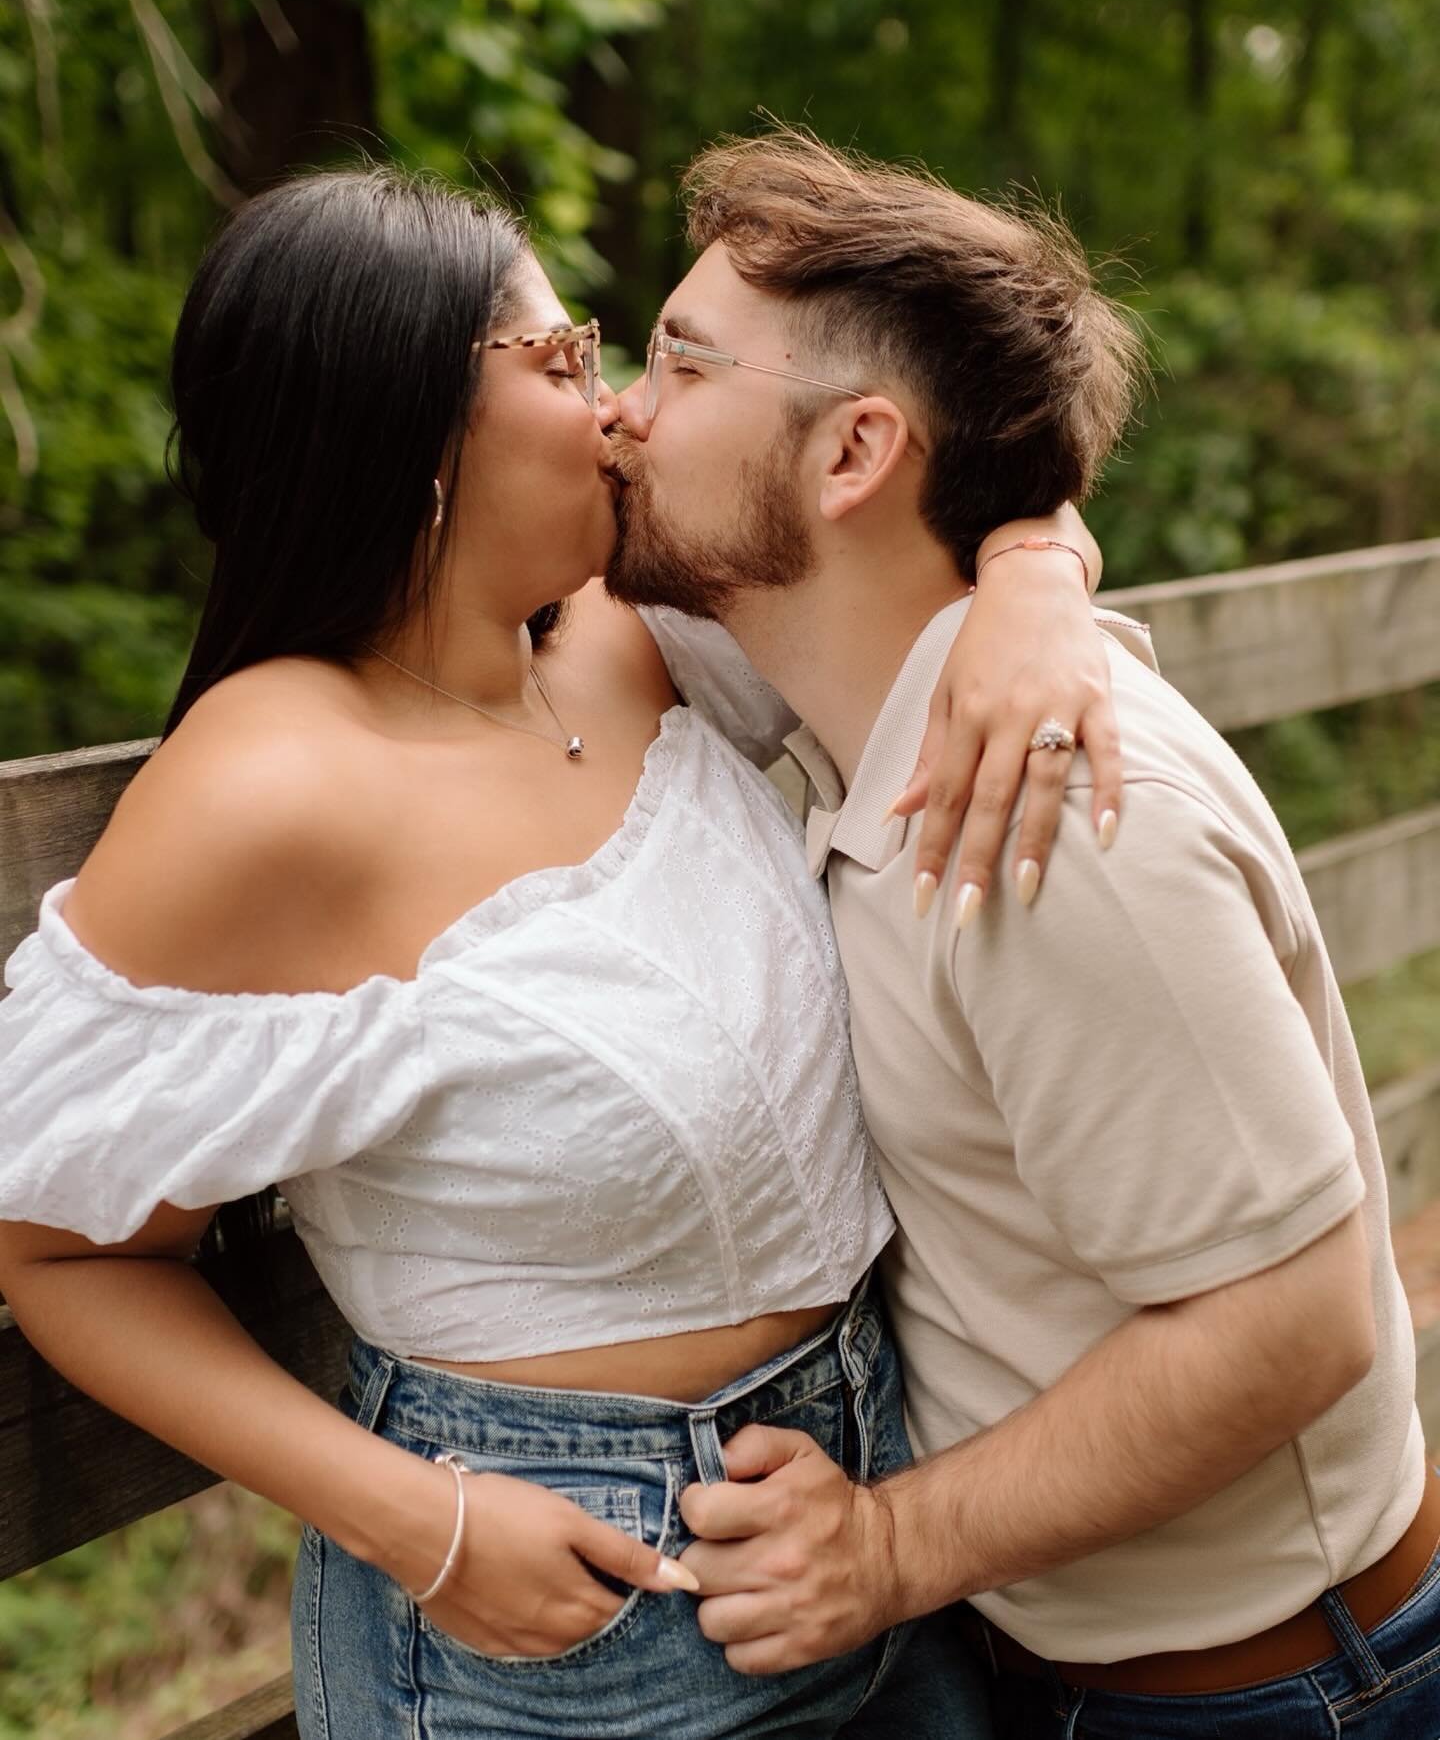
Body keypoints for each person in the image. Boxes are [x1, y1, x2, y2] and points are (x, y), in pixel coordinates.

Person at [0, 166, 1126, 1739]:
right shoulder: (269, 787)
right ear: (409, 423)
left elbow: (924, 464)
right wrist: (424, 1526)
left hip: (874, 1520)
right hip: (560, 1626)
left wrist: (1032, 580)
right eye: (562, 360)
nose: (613, 411)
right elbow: (57, 1249)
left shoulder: (632, 638)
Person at [603, 128, 1438, 1737]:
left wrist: (887, 1547)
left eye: (681, 363)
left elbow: (1299, 1318)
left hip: (1275, 1698)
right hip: (1079, 1670)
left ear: (852, 456)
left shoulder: (1049, 821)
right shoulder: (848, 713)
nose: (626, 412)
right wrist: (1034, 545)